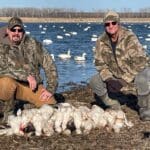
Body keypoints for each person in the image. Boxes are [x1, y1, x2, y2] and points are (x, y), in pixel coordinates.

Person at [89, 10, 150, 121]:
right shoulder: (100, 41)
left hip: (134, 71)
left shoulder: (129, 37)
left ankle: (144, 108)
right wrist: (108, 79)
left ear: (118, 23)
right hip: (115, 73)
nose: (110, 26)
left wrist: (123, 81)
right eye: (107, 24)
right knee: (94, 81)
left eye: (113, 23)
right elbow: (99, 63)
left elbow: (140, 61)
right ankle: (113, 105)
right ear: (104, 26)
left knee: (142, 78)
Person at [0, 17, 58, 122]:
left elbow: (49, 65)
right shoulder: (1, 46)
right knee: (6, 83)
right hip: (9, 85)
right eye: (13, 30)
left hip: (31, 87)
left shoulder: (33, 44)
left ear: (23, 32)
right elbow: (3, 70)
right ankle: (8, 115)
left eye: (19, 30)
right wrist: (26, 76)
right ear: (8, 31)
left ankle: (25, 107)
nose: (16, 33)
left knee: (50, 107)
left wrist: (50, 88)